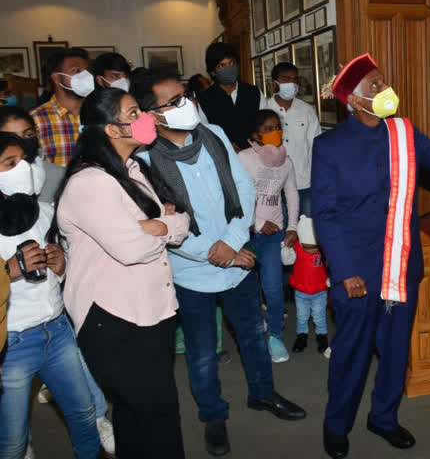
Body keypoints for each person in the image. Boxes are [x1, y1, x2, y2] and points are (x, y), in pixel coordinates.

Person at [313, 53, 430, 459]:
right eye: (374, 85)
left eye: (384, 81)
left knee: (395, 349)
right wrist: (343, 272)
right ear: (355, 101)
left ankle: (384, 418)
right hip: (357, 272)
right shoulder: (329, 146)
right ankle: (336, 424)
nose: (385, 89)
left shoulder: (404, 132)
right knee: (352, 353)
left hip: (401, 266)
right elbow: (325, 214)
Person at [131, 69, 306, 457]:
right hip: (190, 271)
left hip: (237, 257)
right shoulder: (143, 160)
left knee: (253, 335)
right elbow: (161, 220)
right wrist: (213, 251)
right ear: (152, 115)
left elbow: (242, 189)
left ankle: (263, 394)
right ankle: (213, 415)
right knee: (202, 350)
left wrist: (231, 242)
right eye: (174, 101)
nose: (187, 105)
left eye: (186, 96)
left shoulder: (215, 136)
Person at [51, 88, 190, 458]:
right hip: (113, 318)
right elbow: (132, 248)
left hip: (153, 309)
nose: (144, 117)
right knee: (159, 415)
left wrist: (158, 225)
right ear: (112, 130)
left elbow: (182, 221)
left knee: (133, 414)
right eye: (133, 113)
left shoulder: (134, 168)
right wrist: (163, 225)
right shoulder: (90, 183)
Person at [0, 107, 115, 454]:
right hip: (12, 343)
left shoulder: (46, 213)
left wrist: (61, 263)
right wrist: (10, 271)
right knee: (13, 438)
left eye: (24, 159)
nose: (21, 169)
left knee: (83, 415)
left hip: (56, 330)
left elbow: (68, 267)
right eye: (9, 163)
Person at [237, 109, 299, 363]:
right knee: (248, 289)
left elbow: (292, 194)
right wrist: (258, 223)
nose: (276, 132)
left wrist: (292, 226)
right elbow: (236, 199)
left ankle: (275, 335)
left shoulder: (286, 161)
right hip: (246, 235)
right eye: (268, 129)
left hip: (275, 235)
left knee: (273, 288)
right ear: (256, 135)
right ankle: (256, 326)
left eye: (278, 127)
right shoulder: (243, 158)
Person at [266, 62, 321, 216]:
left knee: (306, 233)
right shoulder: (264, 110)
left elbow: (315, 147)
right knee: (278, 234)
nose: (292, 83)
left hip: (304, 184)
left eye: (295, 79)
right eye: (286, 79)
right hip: (274, 187)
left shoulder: (307, 111)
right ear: (274, 83)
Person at [30, 48, 94, 166]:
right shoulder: (35, 119)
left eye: (87, 71)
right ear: (56, 78)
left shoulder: (99, 113)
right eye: (76, 70)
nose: (86, 77)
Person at [197, 42, 267, 149]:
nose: (229, 69)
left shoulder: (254, 92)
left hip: (256, 156)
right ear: (213, 72)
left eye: (231, 63)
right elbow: (204, 135)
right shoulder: (205, 99)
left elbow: (266, 124)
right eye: (222, 65)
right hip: (223, 158)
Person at [281, 215, 330, 357]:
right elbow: (287, 261)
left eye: (314, 247)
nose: (311, 251)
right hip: (301, 292)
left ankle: (322, 337)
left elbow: (332, 264)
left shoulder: (323, 249)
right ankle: (301, 337)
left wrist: (330, 279)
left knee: (319, 317)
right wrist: (286, 249)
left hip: (320, 291)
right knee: (301, 317)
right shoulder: (297, 247)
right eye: (307, 248)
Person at [0, 106, 64, 203]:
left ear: (36, 133)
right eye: (12, 138)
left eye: (28, 135)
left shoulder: (58, 175)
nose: (21, 143)